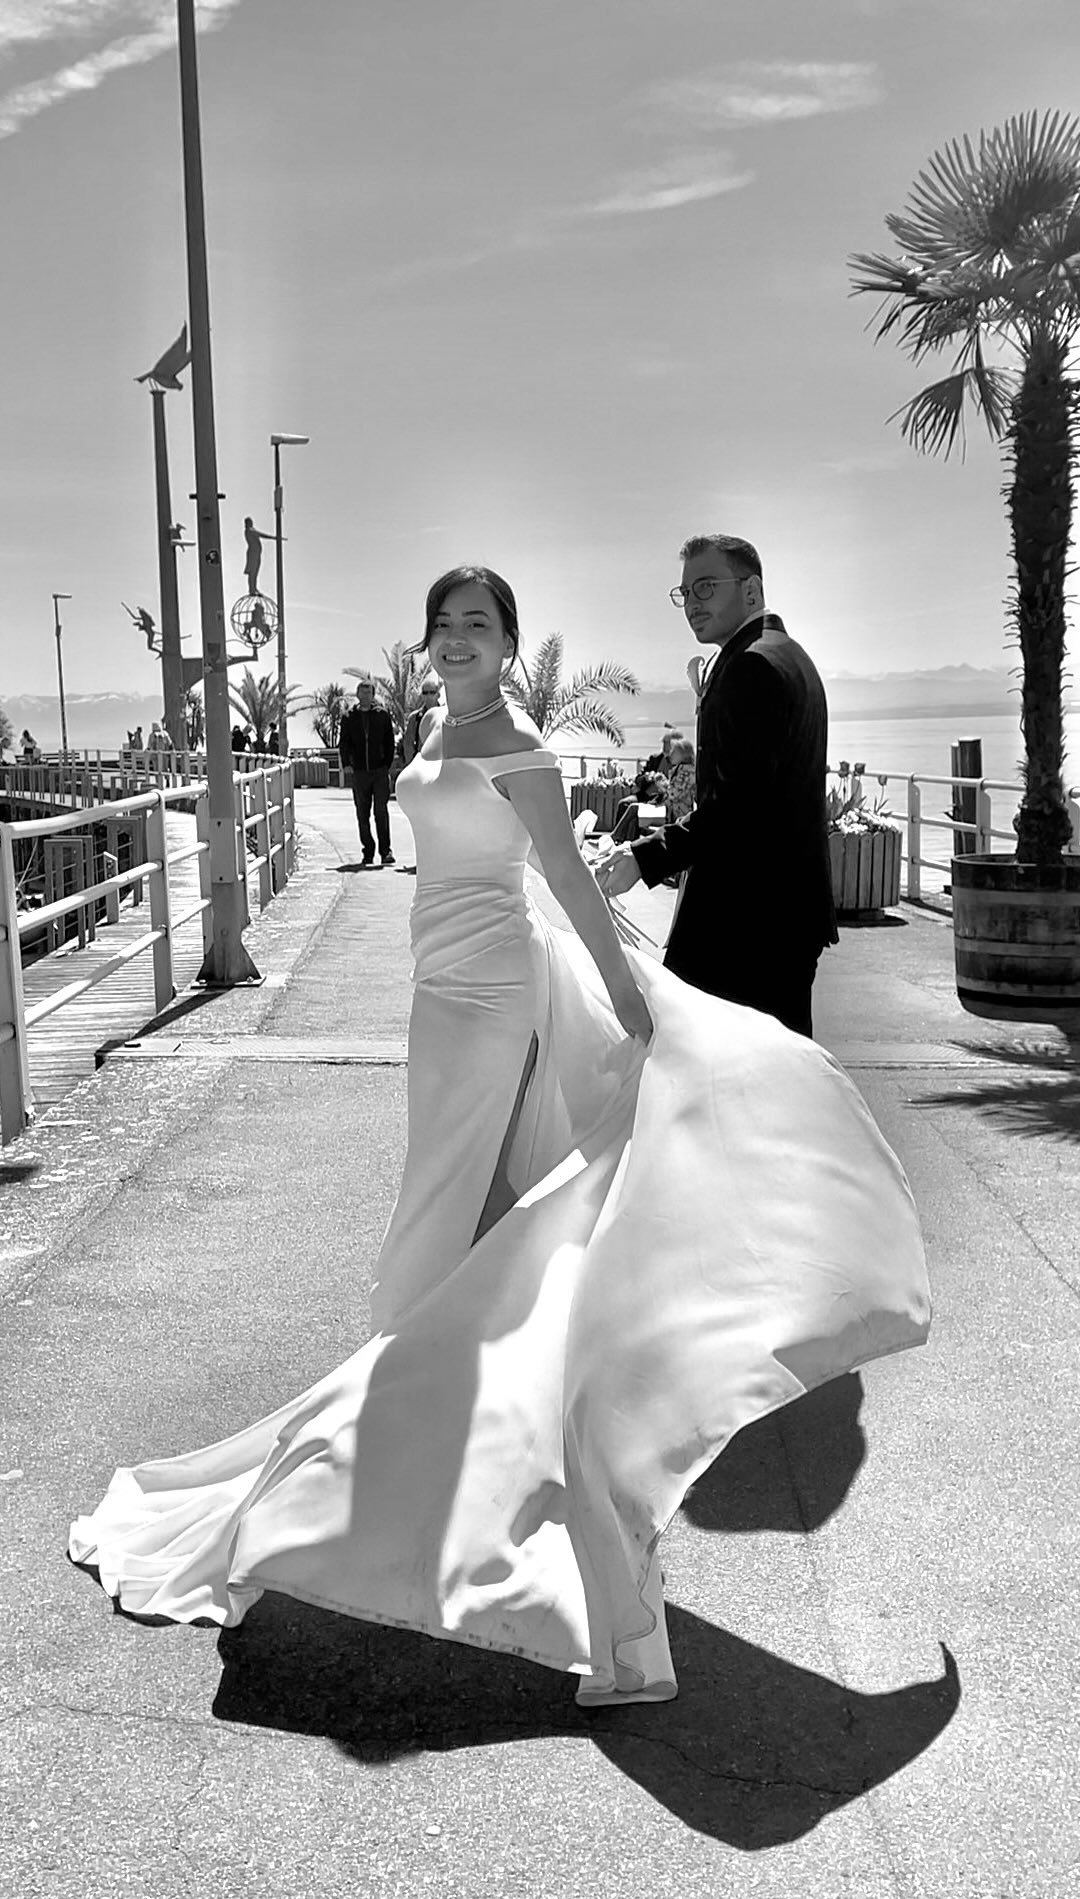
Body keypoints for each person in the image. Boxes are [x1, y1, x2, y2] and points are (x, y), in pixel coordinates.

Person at [70, 562, 929, 1709]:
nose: (457, 638)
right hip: (440, 1002)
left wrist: (636, 1009)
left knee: (435, 1260)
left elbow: (567, 877)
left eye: (479, 623)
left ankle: (434, 1526)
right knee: (458, 1257)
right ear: (427, 643)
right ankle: (428, 1509)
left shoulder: (512, 734)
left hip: (489, 1009)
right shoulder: (442, 721)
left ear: (512, 643)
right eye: (443, 623)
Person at [597, 535, 838, 1039]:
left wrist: (645, 857)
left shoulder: (750, 666)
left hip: (744, 927)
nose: (691, 604)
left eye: (706, 587)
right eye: (684, 592)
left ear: (751, 591)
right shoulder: (792, 657)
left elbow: (736, 810)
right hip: (784, 917)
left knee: (711, 1081)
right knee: (779, 1087)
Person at [338, 677, 396, 866]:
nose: (365, 695)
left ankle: (385, 851)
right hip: (360, 772)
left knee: (381, 812)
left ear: (373, 695)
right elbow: (344, 743)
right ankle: (368, 851)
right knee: (362, 813)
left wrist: (386, 764)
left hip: (379, 771)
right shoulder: (348, 717)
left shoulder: (382, 715)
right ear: (357, 694)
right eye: (362, 692)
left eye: (369, 692)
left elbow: (389, 742)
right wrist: (347, 763)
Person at [402, 675, 442, 764]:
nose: (428, 696)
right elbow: (408, 744)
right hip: (421, 764)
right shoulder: (414, 718)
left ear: (438, 695)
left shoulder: (445, 715)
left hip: (441, 764)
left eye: (432, 692)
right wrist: (412, 765)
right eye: (425, 693)